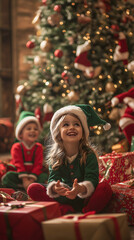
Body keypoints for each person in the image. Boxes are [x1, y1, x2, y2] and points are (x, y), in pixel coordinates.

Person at [27, 104, 112, 214]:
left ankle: (86, 211)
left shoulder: (89, 154)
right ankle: (64, 209)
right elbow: (53, 179)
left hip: (85, 198)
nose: (71, 127)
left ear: (83, 132)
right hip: (63, 198)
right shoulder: (56, 157)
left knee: (105, 188)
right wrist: (57, 188)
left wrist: (80, 188)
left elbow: (92, 179)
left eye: (76, 124)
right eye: (66, 125)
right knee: (33, 188)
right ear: (58, 133)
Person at [2, 111, 48, 191]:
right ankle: (19, 189)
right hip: (19, 174)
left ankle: (31, 187)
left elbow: (38, 164)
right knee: (8, 176)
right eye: (29, 128)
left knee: (44, 176)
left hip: (34, 175)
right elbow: (18, 163)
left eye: (35, 129)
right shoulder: (16, 147)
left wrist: (31, 179)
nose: (33, 131)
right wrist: (25, 179)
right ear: (20, 134)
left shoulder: (39, 147)